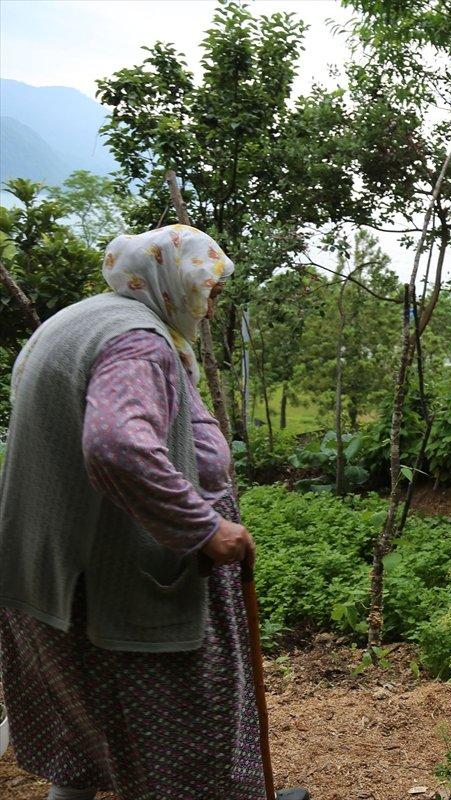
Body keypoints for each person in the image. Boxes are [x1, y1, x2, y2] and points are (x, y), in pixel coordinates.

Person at [0, 226, 309, 800]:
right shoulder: (137, 342)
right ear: (171, 281)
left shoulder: (80, 319)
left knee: (85, 732)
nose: (211, 307)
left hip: (49, 572)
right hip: (114, 581)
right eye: (206, 291)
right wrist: (203, 526)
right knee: (187, 736)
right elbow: (116, 445)